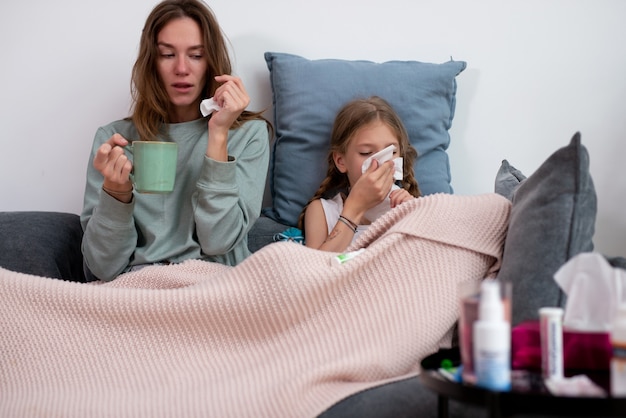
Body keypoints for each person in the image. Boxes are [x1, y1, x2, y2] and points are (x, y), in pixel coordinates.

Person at [80, 0, 271, 281]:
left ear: (211, 62)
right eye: (168, 54)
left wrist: (218, 135)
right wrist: (116, 193)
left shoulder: (247, 134)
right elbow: (101, 267)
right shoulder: (114, 141)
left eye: (196, 55)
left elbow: (219, 241)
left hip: (213, 287)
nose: (182, 68)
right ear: (151, 62)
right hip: (138, 288)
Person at [298, 96, 421, 252]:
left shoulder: (408, 206)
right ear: (341, 161)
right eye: (366, 152)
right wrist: (355, 209)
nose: (381, 163)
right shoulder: (322, 211)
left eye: (392, 152)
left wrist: (413, 218)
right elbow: (315, 271)